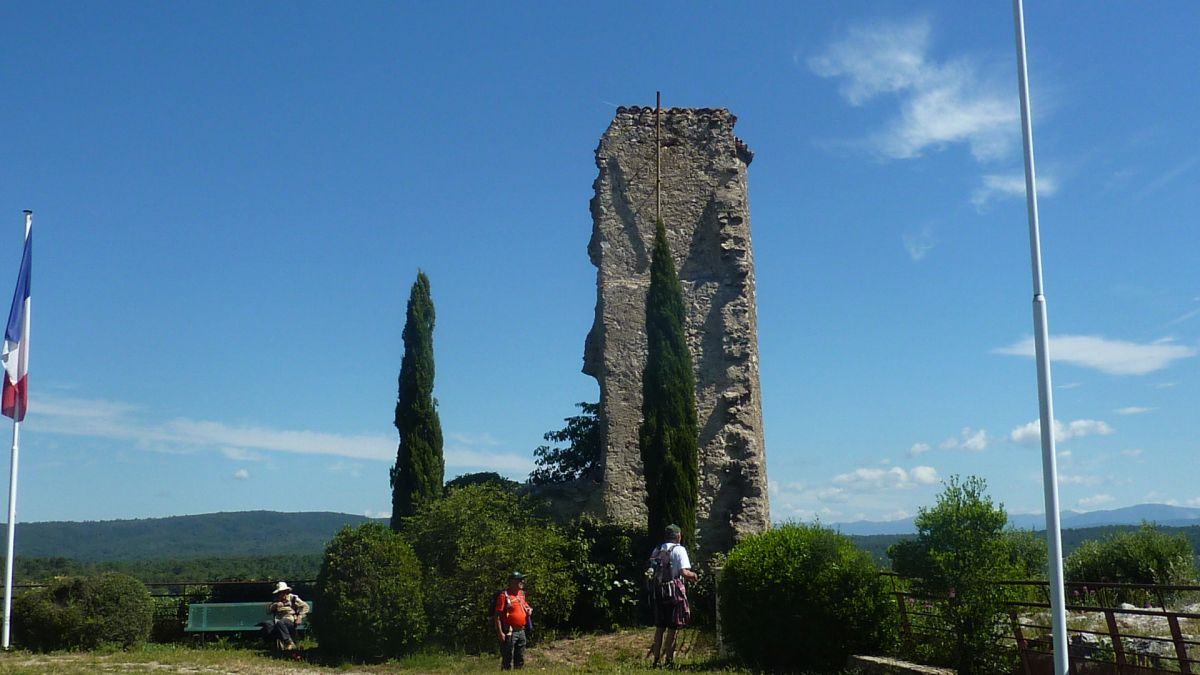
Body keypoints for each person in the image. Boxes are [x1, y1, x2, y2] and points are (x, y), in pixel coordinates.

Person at [647, 524, 697, 668]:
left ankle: (656, 660)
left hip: (658, 592)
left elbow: (651, 570)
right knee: (673, 627)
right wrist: (694, 576)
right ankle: (669, 660)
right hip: (673, 593)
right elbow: (684, 572)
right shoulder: (679, 550)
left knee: (660, 628)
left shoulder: (657, 549)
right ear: (678, 536)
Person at [494, 571, 534, 670]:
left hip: (521, 630)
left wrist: (529, 610)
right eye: (520, 580)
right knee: (507, 657)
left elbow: (525, 605)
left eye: (522, 580)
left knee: (520, 656)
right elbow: (497, 616)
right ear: (512, 582)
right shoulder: (504, 596)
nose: (523, 582)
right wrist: (500, 633)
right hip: (509, 631)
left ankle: (518, 671)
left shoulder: (521, 594)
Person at [266, 581, 309, 652]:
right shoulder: (276, 600)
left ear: (286, 591)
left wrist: (300, 616)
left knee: (280, 623)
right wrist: (275, 606)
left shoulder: (293, 598)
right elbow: (268, 611)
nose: (281, 594)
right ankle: (276, 646)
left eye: (282, 592)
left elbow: (306, 606)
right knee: (268, 625)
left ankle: (289, 642)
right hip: (277, 619)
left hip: (289, 619)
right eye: (279, 592)